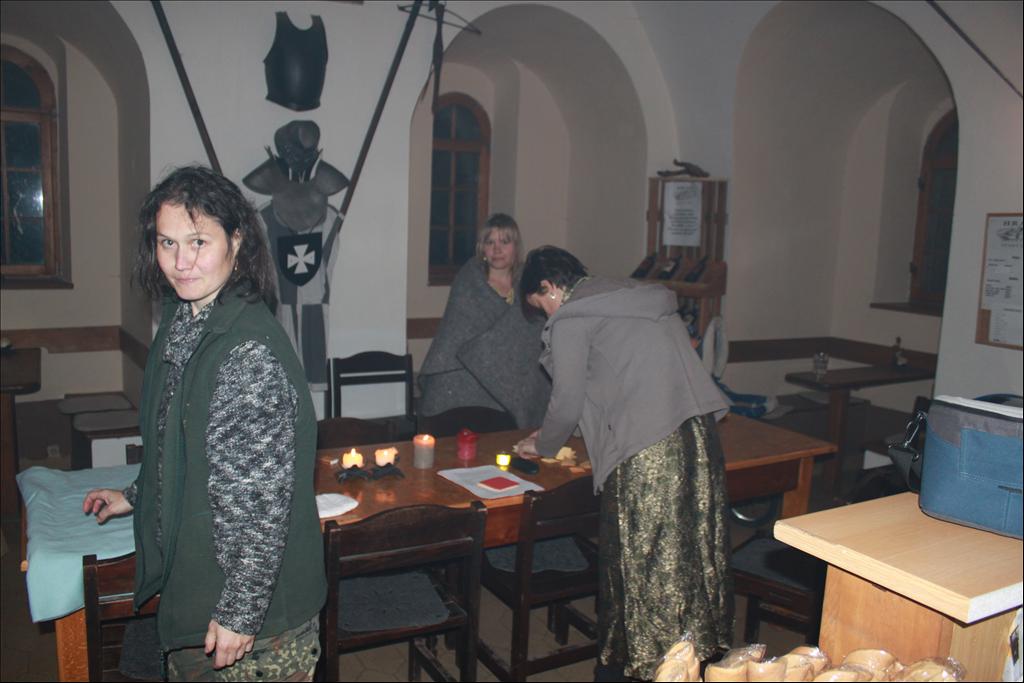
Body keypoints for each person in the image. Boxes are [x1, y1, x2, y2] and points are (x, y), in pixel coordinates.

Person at [83, 166, 326, 681]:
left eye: (198, 242)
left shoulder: (246, 353)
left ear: (236, 241)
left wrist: (240, 613)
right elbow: (182, 439)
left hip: (257, 623)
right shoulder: (187, 315)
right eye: (167, 243)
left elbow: (260, 506)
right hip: (206, 589)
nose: (180, 262)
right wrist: (137, 493)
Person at [515, 246, 733, 681]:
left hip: (647, 452)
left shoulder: (573, 317)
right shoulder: (633, 298)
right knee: (690, 558)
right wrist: (569, 433)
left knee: (642, 565)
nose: (546, 317)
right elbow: (628, 380)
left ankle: (640, 668)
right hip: (697, 440)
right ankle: (693, 662)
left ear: (548, 287)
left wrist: (543, 445)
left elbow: (567, 401)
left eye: (541, 306)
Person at [418, 213, 551, 428]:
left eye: (504, 242)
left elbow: (534, 337)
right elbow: (455, 338)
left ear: (516, 247)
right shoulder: (468, 283)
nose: (497, 249)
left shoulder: (529, 286)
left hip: (515, 385)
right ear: (482, 249)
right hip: (465, 384)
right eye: (490, 242)